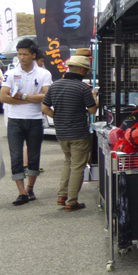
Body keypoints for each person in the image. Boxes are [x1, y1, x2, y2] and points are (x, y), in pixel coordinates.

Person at [42, 55, 99, 211]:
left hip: (61, 132)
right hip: (79, 132)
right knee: (78, 166)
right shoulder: (82, 88)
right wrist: (95, 97)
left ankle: (62, 195)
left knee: (68, 162)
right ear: (81, 70)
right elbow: (92, 110)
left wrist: (59, 119)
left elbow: (45, 108)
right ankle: (71, 201)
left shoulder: (55, 85)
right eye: (86, 70)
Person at [0, 39, 52, 206]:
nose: (21, 57)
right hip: (14, 119)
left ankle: (30, 188)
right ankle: (21, 192)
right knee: (16, 156)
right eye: (19, 54)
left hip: (35, 119)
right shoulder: (11, 73)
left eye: (25, 54)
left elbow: (47, 96)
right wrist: (32, 99)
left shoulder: (44, 73)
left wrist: (23, 96)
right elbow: (3, 97)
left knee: (34, 155)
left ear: (33, 55)